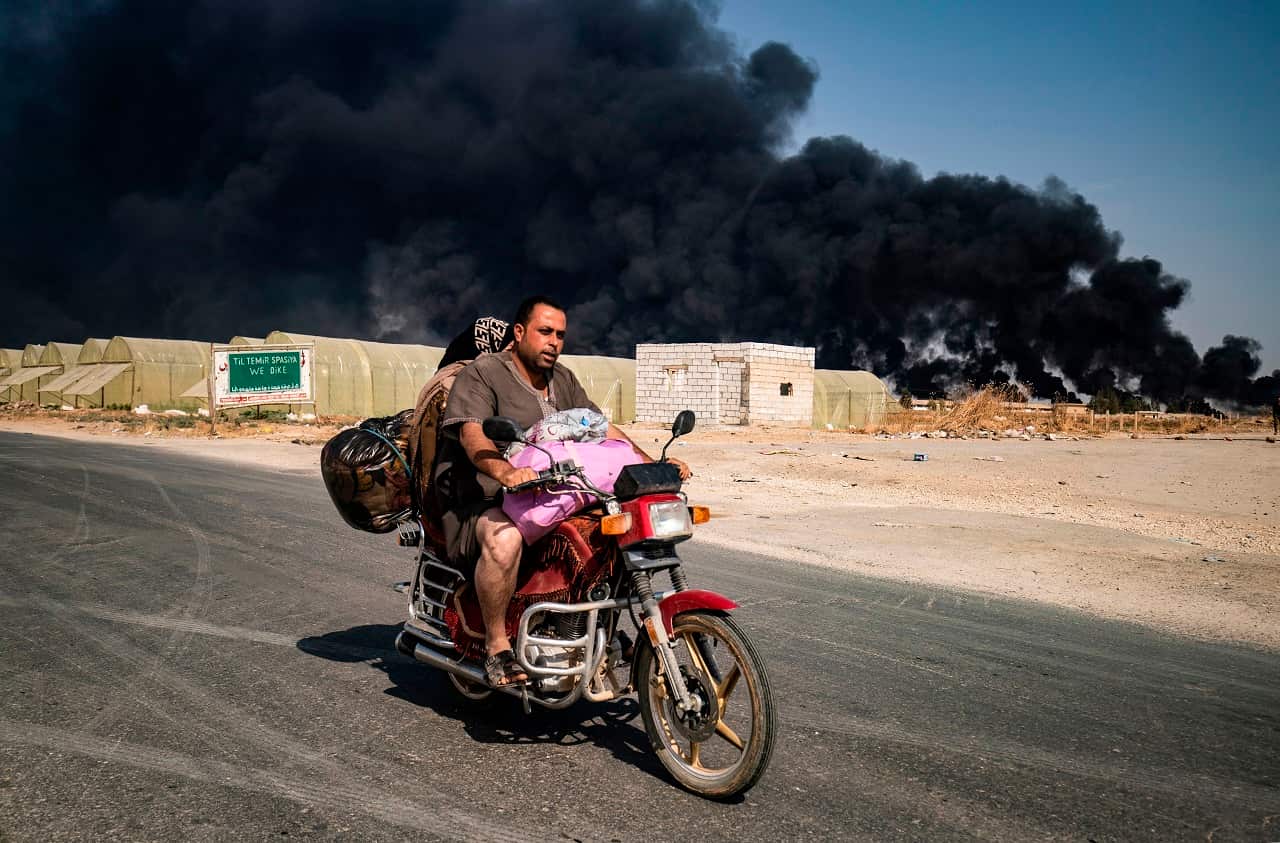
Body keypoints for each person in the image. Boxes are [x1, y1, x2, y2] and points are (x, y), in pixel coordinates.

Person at [434, 295, 690, 686]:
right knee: (504, 539)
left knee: (615, 531)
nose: (554, 341)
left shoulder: (564, 380)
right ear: (519, 333)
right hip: (484, 499)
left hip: (556, 496)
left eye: (560, 335)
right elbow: (473, 435)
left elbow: (599, 428)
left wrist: (651, 464)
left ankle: (594, 625)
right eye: (545, 331)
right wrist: (505, 472)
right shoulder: (484, 374)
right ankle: (498, 648)